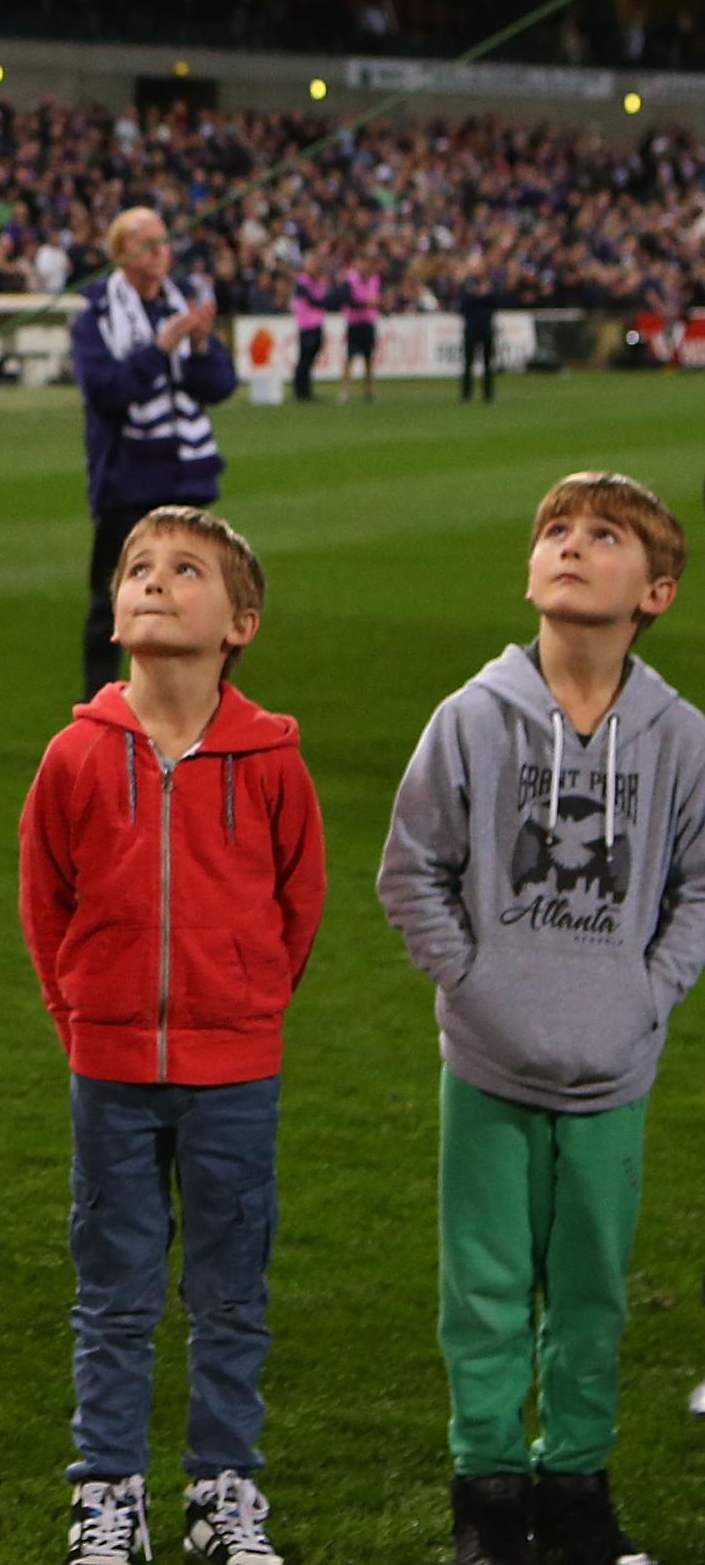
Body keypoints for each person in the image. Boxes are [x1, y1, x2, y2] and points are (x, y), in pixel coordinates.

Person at [378, 473, 705, 1565]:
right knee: (479, 1286)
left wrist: (643, 992)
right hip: (486, 1059)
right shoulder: (471, 717)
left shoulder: (678, 737)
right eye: (554, 530)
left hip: (611, 1064)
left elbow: (698, 887)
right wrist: (475, 985)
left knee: (591, 1287)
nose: (570, 546)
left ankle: (575, 1493)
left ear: (652, 588)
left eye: (602, 536)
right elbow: (409, 870)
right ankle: (487, 1496)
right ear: (529, 569)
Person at [19, 506, 323, 1565]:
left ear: (238, 620)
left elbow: (298, 903)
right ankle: (107, 1492)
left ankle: (222, 1488)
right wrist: (81, 1018)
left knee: (230, 1289)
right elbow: (43, 901)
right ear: (113, 609)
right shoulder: (72, 754)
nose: (152, 580)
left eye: (183, 569)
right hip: (107, 1071)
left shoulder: (273, 760)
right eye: (137, 567)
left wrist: (245, 1005)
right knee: (112, 1291)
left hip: (234, 1071)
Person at [69, 207, 235, 701]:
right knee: (112, 601)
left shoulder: (179, 304)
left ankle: (187, 695)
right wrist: (160, 349)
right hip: (126, 479)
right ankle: (96, 704)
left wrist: (202, 347)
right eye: (148, 243)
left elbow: (219, 386)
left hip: (184, 477)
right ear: (121, 254)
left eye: (165, 240)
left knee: (193, 596)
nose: (162, 251)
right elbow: (106, 392)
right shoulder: (95, 316)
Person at [338, 251, 381, 406]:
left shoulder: (375, 279)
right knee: (350, 358)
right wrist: (367, 303)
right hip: (354, 323)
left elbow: (376, 299)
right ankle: (345, 390)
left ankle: (369, 390)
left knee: (369, 358)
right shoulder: (351, 279)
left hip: (368, 322)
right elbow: (349, 300)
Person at [458, 257, 501, 404]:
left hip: (486, 328)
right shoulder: (466, 285)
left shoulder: (490, 284)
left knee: (488, 362)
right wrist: (478, 295)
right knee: (468, 362)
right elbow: (462, 306)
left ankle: (488, 393)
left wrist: (486, 294)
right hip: (471, 328)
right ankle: (466, 394)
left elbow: (496, 303)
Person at [289, 253, 329, 403]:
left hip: (317, 324)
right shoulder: (302, 282)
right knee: (304, 359)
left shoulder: (318, 281)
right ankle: (300, 391)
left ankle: (305, 390)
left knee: (309, 359)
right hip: (306, 326)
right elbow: (315, 300)